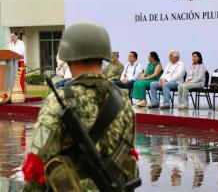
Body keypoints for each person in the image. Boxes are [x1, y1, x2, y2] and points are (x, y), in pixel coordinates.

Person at [21, 23, 139, 191]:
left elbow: (36, 165)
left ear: (69, 56)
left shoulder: (59, 100)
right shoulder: (123, 101)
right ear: (103, 56)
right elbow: (129, 156)